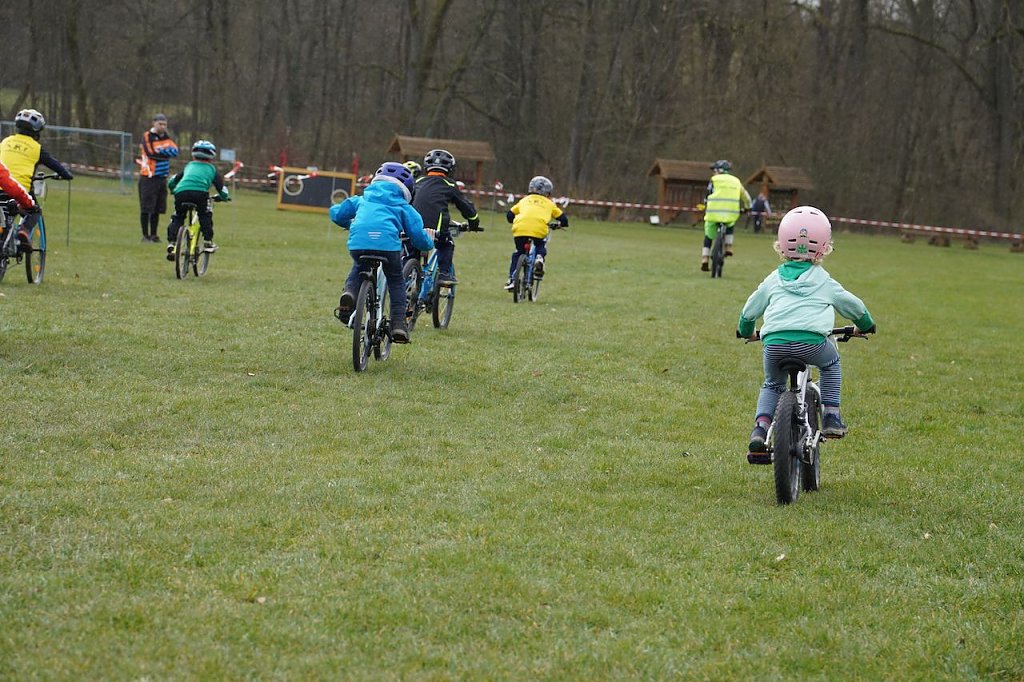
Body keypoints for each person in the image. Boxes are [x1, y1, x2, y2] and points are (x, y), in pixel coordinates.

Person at [737, 206, 876, 458]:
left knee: (772, 384)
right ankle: (831, 416)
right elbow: (853, 305)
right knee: (831, 363)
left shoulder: (773, 279)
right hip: (812, 343)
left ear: (781, 245)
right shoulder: (824, 280)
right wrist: (865, 324)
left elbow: (749, 311)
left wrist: (746, 331)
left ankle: (760, 429)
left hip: (775, 343)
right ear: (824, 247)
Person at [330, 162, 433, 344]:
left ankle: (350, 294)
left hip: (359, 243)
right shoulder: (404, 207)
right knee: (396, 281)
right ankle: (398, 324)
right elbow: (418, 237)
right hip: (388, 247)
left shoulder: (361, 199)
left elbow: (336, 214)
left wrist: (350, 224)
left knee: (359, 267)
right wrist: (428, 242)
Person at [0, 108, 73, 248]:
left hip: (1, 184)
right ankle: (24, 231)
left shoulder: (5, 142)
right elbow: (54, 165)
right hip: (20, 188)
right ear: (37, 131)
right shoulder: (36, 148)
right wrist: (66, 174)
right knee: (35, 211)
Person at [410, 149, 481, 285]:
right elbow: (465, 206)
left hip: (412, 226)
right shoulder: (449, 184)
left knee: (412, 249)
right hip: (434, 229)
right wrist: (474, 222)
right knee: (446, 243)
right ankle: (444, 274)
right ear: (450, 169)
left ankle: (407, 272)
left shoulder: (417, 181)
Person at [164, 140, 230, 261]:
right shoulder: (211, 169)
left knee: (178, 216)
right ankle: (207, 241)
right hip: (200, 194)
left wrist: (173, 190)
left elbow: (172, 181)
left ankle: (172, 243)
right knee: (205, 214)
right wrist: (224, 197)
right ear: (211, 156)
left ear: (193, 155)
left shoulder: (189, 166)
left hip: (181, 192)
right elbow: (221, 188)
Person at [503, 175, 568, 290]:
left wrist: (515, 221)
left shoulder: (524, 200)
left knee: (518, 253)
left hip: (520, 228)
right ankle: (539, 258)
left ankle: (512, 279)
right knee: (540, 244)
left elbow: (509, 215)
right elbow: (563, 218)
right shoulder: (549, 203)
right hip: (539, 228)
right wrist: (561, 224)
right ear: (548, 192)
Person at [701, 159, 750, 270]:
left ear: (719, 170)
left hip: (713, 212)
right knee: (730, 224)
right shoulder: (736, 181)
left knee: (708, 234)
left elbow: (707, 195)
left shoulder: (714, 180)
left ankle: (705, 258)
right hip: (731, 212)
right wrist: (748, 207)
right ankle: (728, 246)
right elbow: (746, 197)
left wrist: (706, 206)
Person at [138, 113, 179, 243]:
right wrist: (164, 153)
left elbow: (175, 151)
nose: (163, 127)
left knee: (157, 208)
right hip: (149, 176)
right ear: (154, 123)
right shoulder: (147, 136)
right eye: (160, 124)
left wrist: (161, 151)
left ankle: (154, 235)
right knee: (146, 207)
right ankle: (145, 235)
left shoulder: (166, 137)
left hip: (161, 178)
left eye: (165, 124)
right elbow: (151, 153)